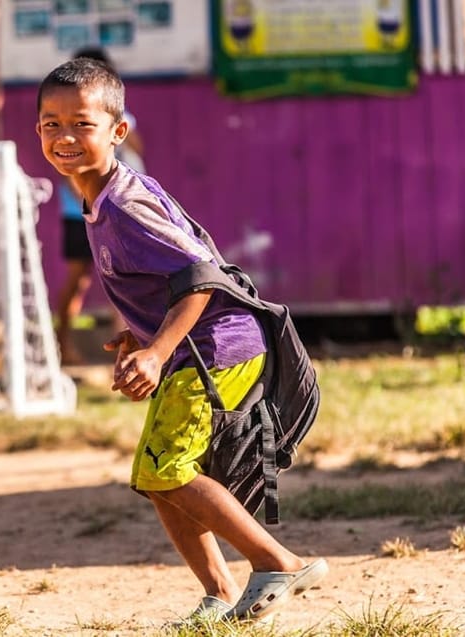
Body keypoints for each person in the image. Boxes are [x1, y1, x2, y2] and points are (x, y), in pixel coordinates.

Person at [35, 57, 327, 623]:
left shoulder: (124, 204)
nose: (65, 137)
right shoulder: (102, 198)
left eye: (82, 124)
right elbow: (166, 281)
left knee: (166, 469)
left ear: (118, 131)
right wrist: (139, 332)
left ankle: (276, 563)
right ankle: (219, 594)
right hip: (201, 347)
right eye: (51, 124)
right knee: (159, 474)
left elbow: (201, 277)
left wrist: (158, 349)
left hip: (218, 350)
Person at [54, 47, 143, 365]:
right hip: (81, 211)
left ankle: (129, 353)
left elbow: (136, 151)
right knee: (79, 279)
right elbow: (69, 173)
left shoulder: (118, 117)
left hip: (117, 210)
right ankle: (61, 345)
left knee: (124, 279)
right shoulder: (68, 119)